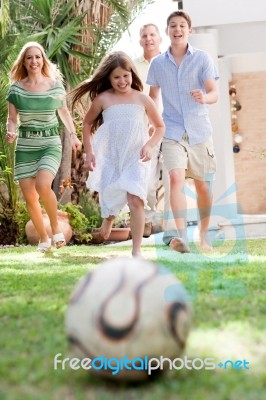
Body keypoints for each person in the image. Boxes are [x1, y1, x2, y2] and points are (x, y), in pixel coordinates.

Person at [71, 51, 165, 257]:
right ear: (108, 79)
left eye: (126, 75)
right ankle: (109, 219)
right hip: (112, 155)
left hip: (136, 156)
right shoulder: (103, 99)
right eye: (116, 77)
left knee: (135, 199)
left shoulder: (142, 99)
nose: (122, 81)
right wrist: (89, 151)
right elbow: (87, 123)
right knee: (112, 190)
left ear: (132, 74)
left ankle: (137, 251)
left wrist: (149, 145)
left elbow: (159, 126)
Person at [147, 11, 219, 251]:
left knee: (203, 187)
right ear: (167, 31)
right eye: (172, 26)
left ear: (190, 30)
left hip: (199, 130)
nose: (177, 30)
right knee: (176, 178)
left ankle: (204, 236)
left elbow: (214, 92)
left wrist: (204, 97)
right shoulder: (157, 63)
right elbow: (153, 97)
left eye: (181, 26)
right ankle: (182, 237)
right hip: (172, 131)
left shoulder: (202, 59)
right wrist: (153, 121)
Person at [6, 41, 81, 253]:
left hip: (50, 142)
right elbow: (12, 119)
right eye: (29, 57)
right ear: (24, 62)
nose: (34, 61)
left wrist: (73, 135)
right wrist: (10, 131)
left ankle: (56, 226)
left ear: (43, 60)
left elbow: (64, 112)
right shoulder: (16, 89)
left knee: (42, 184)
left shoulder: (54, 84)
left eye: (37, 57)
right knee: (29, 196)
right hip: (26, 144)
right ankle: (43, 238)